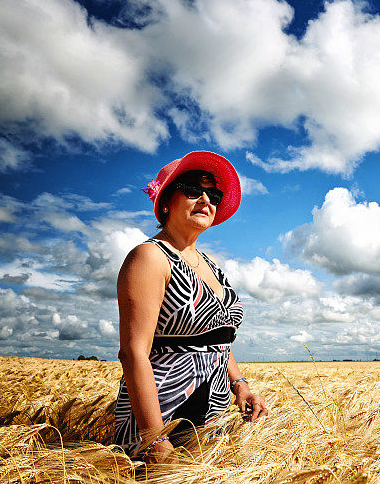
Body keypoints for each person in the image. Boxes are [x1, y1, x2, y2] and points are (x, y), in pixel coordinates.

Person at [113, 151, 268, 463]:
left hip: (212, 413)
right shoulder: (150, 257)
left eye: (213, 194)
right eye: (193, 190)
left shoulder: (211, 264)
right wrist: (155, 439)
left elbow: (216, 336)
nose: (205, 199)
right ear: (167, 200)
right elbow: (133, 352)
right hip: (163, 416)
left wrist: (239, 384)